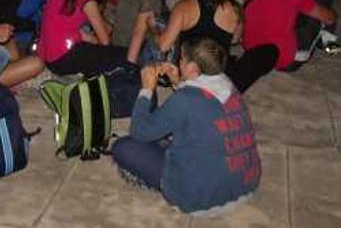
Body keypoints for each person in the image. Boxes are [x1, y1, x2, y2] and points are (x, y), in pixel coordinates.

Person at [110, 36, 261, 215]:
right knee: (174, 133)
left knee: (123, 147)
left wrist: (146, 89)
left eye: (182, 59)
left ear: (192, 68)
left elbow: (139, 131)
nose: (178, 62)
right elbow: (202, 109)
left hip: (196, 197)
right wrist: (179, 82)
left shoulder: (185, 100)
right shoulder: (229, 86)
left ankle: (163, 184)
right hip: (244, 185)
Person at [128, 0, 278, 92]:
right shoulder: (234, 7)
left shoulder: (183, 7)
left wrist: (153, 28)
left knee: (162, 28)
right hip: (219, 76)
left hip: (189, 76)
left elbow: (163, 46)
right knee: (269, 51)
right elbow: (235, 40)